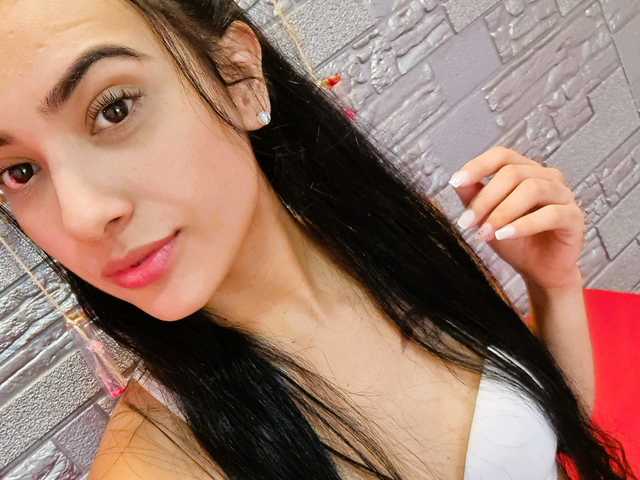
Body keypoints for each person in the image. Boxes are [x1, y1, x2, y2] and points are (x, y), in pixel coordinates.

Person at [0, 1, 634, 479]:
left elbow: (546, 439)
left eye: (113, 109)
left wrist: (553, 286)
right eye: (19, 172)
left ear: (239, 76)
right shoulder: (157, 462)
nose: (81, 216)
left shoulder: (388, 236)